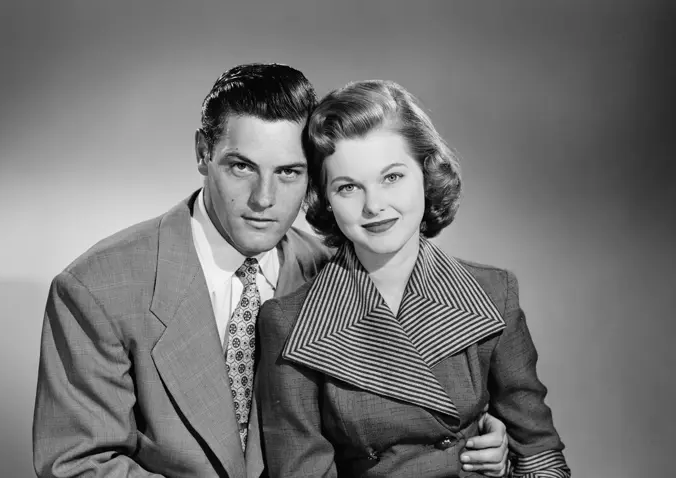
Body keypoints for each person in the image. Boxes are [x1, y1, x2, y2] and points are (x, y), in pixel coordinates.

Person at [32, 64, 509, 478]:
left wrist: (484, 442)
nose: (264, 199)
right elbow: (78, 464)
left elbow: (394, 425)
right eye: (242, 167)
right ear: (203, 152)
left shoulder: (335, 273)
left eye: (288, 172)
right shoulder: (97, 289)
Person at [257, 79, 571, 477]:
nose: (374, 206)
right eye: (348, 186)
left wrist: (508, 466)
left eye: (392, 177)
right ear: (325, 199)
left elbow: (540, 454)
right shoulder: (288, 323)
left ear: (426, 173)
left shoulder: (495, 293)